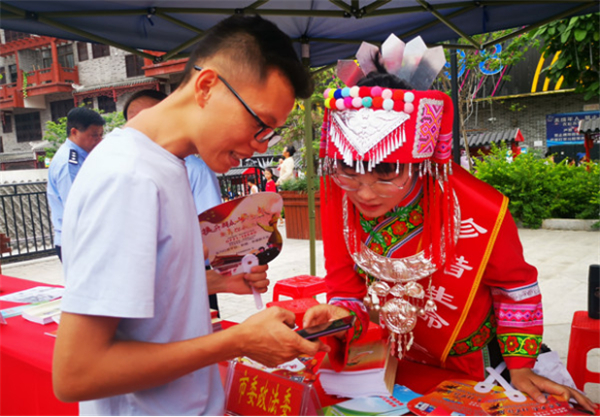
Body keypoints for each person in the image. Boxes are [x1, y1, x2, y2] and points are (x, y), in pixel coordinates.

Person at [53, 15, 328, 416]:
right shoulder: (127, 177)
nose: (257, 146)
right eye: (260, 125)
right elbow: (77, 373)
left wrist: (219, 281)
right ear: (207, 86)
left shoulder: (167, 163)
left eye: (269, 134)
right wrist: (238, 342)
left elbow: (147, 290)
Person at [303, 35, 595, 412]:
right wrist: (340, 314)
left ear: (418, 160)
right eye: (349, 171)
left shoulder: (480, 208)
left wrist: (521, 366)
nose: (365, 192)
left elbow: (515, 285)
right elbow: (345, 284)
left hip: (477, 365)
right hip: (397, 363)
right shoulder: (337, 196)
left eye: (386, 173)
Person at [124, 89, 224, 314]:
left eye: (150, 117)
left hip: (194, 275)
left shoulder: (195, 170)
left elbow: (212, 229)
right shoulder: (122, 171)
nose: (143, 129)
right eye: (134, 121)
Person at [47, 107, 105, 261]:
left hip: (84, 239)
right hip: (76, 241)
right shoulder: (69, 163)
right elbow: (76, 207)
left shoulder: (83, 157)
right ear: (74, 132)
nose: (99, 140)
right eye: (93, 136)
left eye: (101, 135)